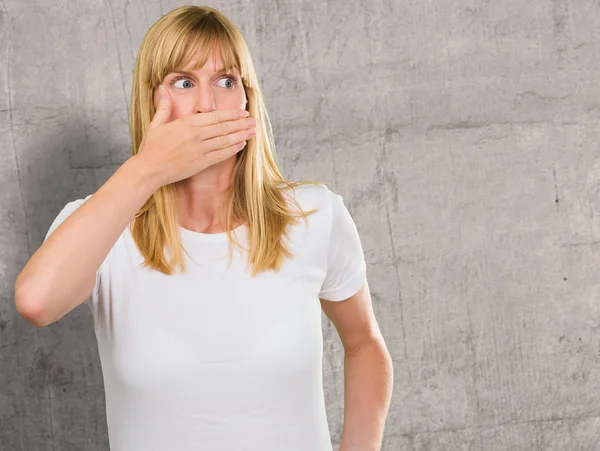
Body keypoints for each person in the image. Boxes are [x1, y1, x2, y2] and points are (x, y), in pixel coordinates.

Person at [15, 5, 393, 451]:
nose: (207, 104)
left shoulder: (313, 217)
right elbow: (37, 302)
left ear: (247, 99)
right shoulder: (102, 226)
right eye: (183, 82)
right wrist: (147, 169)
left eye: (226, 81)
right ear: (150, 99)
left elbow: (365, 345)